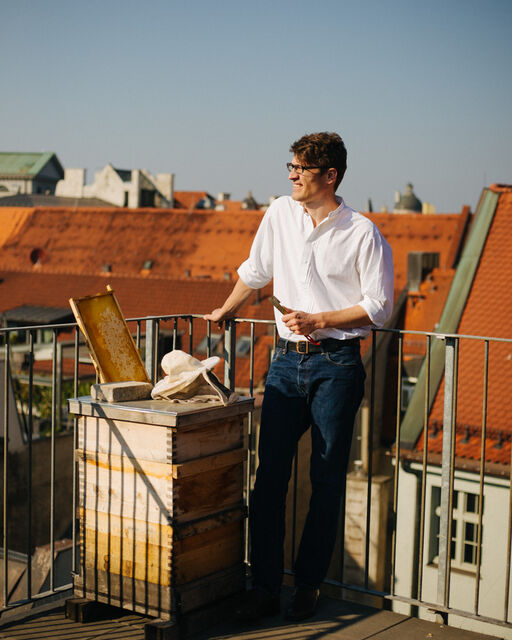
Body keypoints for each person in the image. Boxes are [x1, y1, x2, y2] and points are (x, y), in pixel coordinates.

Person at [204, 132, 394, 622]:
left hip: (337, 365)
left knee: (326, 480)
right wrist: (224, 311)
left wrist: (323, 320)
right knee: (269, 478)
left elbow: (378, 307)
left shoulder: (362, 232)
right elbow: (256, 270)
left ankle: (307, 585)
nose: (291, 175)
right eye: (290, 165)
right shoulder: (279, 214)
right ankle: (265, 586)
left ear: (329, 176)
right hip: (286, 363)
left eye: (301, 169)